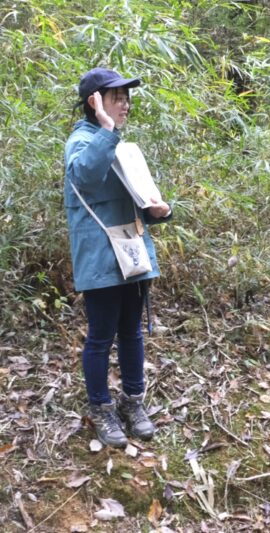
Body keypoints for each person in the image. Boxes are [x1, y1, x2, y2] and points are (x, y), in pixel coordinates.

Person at [64, 68, 172, 447]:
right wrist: (107, 128)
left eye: (126, 97)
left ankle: (133, 402)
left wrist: (160, 210)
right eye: (116, 97)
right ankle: (102, 408)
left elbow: (137, 197)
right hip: (100, 259)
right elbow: (86, 176)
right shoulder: (82, 141)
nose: (125, 103)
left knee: (131, 333)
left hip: (133, 253)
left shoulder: (120, 144)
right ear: (95, 102)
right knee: (100, 337)